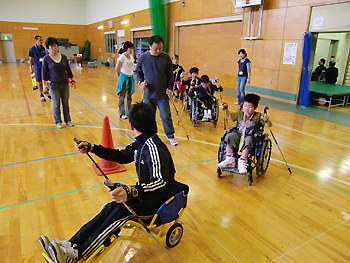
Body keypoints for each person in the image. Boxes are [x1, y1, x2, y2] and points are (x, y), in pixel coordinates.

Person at [37, 102, 185, 263]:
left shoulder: (154, 149)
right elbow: (121, 156)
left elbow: (161, 184)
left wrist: (131, 191)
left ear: (131, 126)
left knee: (118, 214)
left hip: (157, 204)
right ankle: (70, 245)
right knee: (110, 208)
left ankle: (76, 254)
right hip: (145, 197)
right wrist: (93, 148)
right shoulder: (141, 143)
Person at [136, 35, 178, 146]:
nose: (158, 50)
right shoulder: (143, 58)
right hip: (148, 94)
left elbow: (170, 75)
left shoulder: (165, 58)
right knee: (149, 116)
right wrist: (140, 82)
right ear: (149, 46)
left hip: (162, 94)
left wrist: (170, 88)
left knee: (165, 116)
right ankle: (151, 136)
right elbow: (138, 72)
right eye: (156, 48)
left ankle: (170, 136)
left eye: (160, 48)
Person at [218, 94, 272, 174]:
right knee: (229, 136)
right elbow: (228, 116)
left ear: (255, 108)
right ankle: (230, 158)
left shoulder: (258, 116)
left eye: (250, 107)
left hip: (250, 136)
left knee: (248, 140)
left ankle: (242, 160)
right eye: (245, 106)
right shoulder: (240, 114)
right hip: (239, 134)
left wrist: (267, 120)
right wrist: (226, 109)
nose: (247, 108)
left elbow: (268, 125)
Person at [42, 37, 75, 129]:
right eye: (51, 46)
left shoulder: (63, 57)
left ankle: (68, 120)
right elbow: (44, 74)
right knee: (56, 104)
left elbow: (68, 70)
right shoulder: (46, 59)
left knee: (66, 103)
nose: (53, 48)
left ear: (57, 46)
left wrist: (72, 79)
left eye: (55, 46)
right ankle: (58, 121)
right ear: (48, 48)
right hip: (53, 85)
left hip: (64, 84)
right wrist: (44, 85)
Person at [115, 41, 135, 119]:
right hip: (123, 78)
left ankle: (129, 112)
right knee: (122, 96)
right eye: (130, 48)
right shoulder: (122, 57)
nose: (131, 50)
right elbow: (117, 69)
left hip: (130, 77)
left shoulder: (131, 57)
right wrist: (120, 77)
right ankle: (122, 113)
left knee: (129, 96)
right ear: (127, 48)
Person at [29, 35, 51, 102]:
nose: (41, 41)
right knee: (40, 82)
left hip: (44, 67)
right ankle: (41, 95)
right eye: (40, 40)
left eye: (42, 40)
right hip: (37, 68)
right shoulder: (32, 49)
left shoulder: (43, 48)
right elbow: (31, 59)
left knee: (46, 81)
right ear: (36, 40)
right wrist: (31, 68)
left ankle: (46, 92)